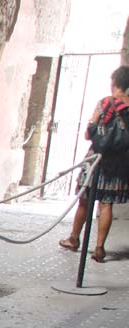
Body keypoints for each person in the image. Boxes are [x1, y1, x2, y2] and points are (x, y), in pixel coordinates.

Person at [59, 65, 129, 263]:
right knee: (106, 204)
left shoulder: (106, 103)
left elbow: (89, 133)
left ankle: (74, 238)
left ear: (114, 83)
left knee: (84, 200)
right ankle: (99, 248)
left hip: (97, 159)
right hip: (119, 162)